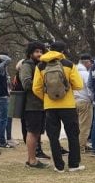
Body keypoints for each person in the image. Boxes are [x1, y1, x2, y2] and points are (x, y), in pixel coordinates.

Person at [32, 41, 85, 172]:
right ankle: (74, 165)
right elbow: (78, 85)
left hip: (50, 106)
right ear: (63, 51)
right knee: (73, 134)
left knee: (53, 136)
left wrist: (46, 97)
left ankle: (58, 166)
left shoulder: (41, 65)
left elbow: (36, 88)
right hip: (68, 105)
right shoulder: (68, 64)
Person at [20, 41, 49, 168]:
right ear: (30, 53)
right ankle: (31, 161)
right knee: (32, 132)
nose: (39, 54)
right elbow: (26, 84)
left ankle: (32, 159)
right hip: (32, 106)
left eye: (41, 51)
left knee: (37, 133)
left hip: (41, 105)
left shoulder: (41, 65)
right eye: (37, 51)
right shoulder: (27, 65)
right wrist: (43, 87)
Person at [74, 54, 94, 152]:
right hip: (84, 101)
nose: (91, 64)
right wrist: (92, 99)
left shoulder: (73, 71)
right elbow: (89, 87)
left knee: (77, 125)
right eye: (90, 62)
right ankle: (81, 146)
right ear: (86, 62)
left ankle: (79, 144)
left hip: (74, 101)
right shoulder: (86, 74)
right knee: (85, 126)